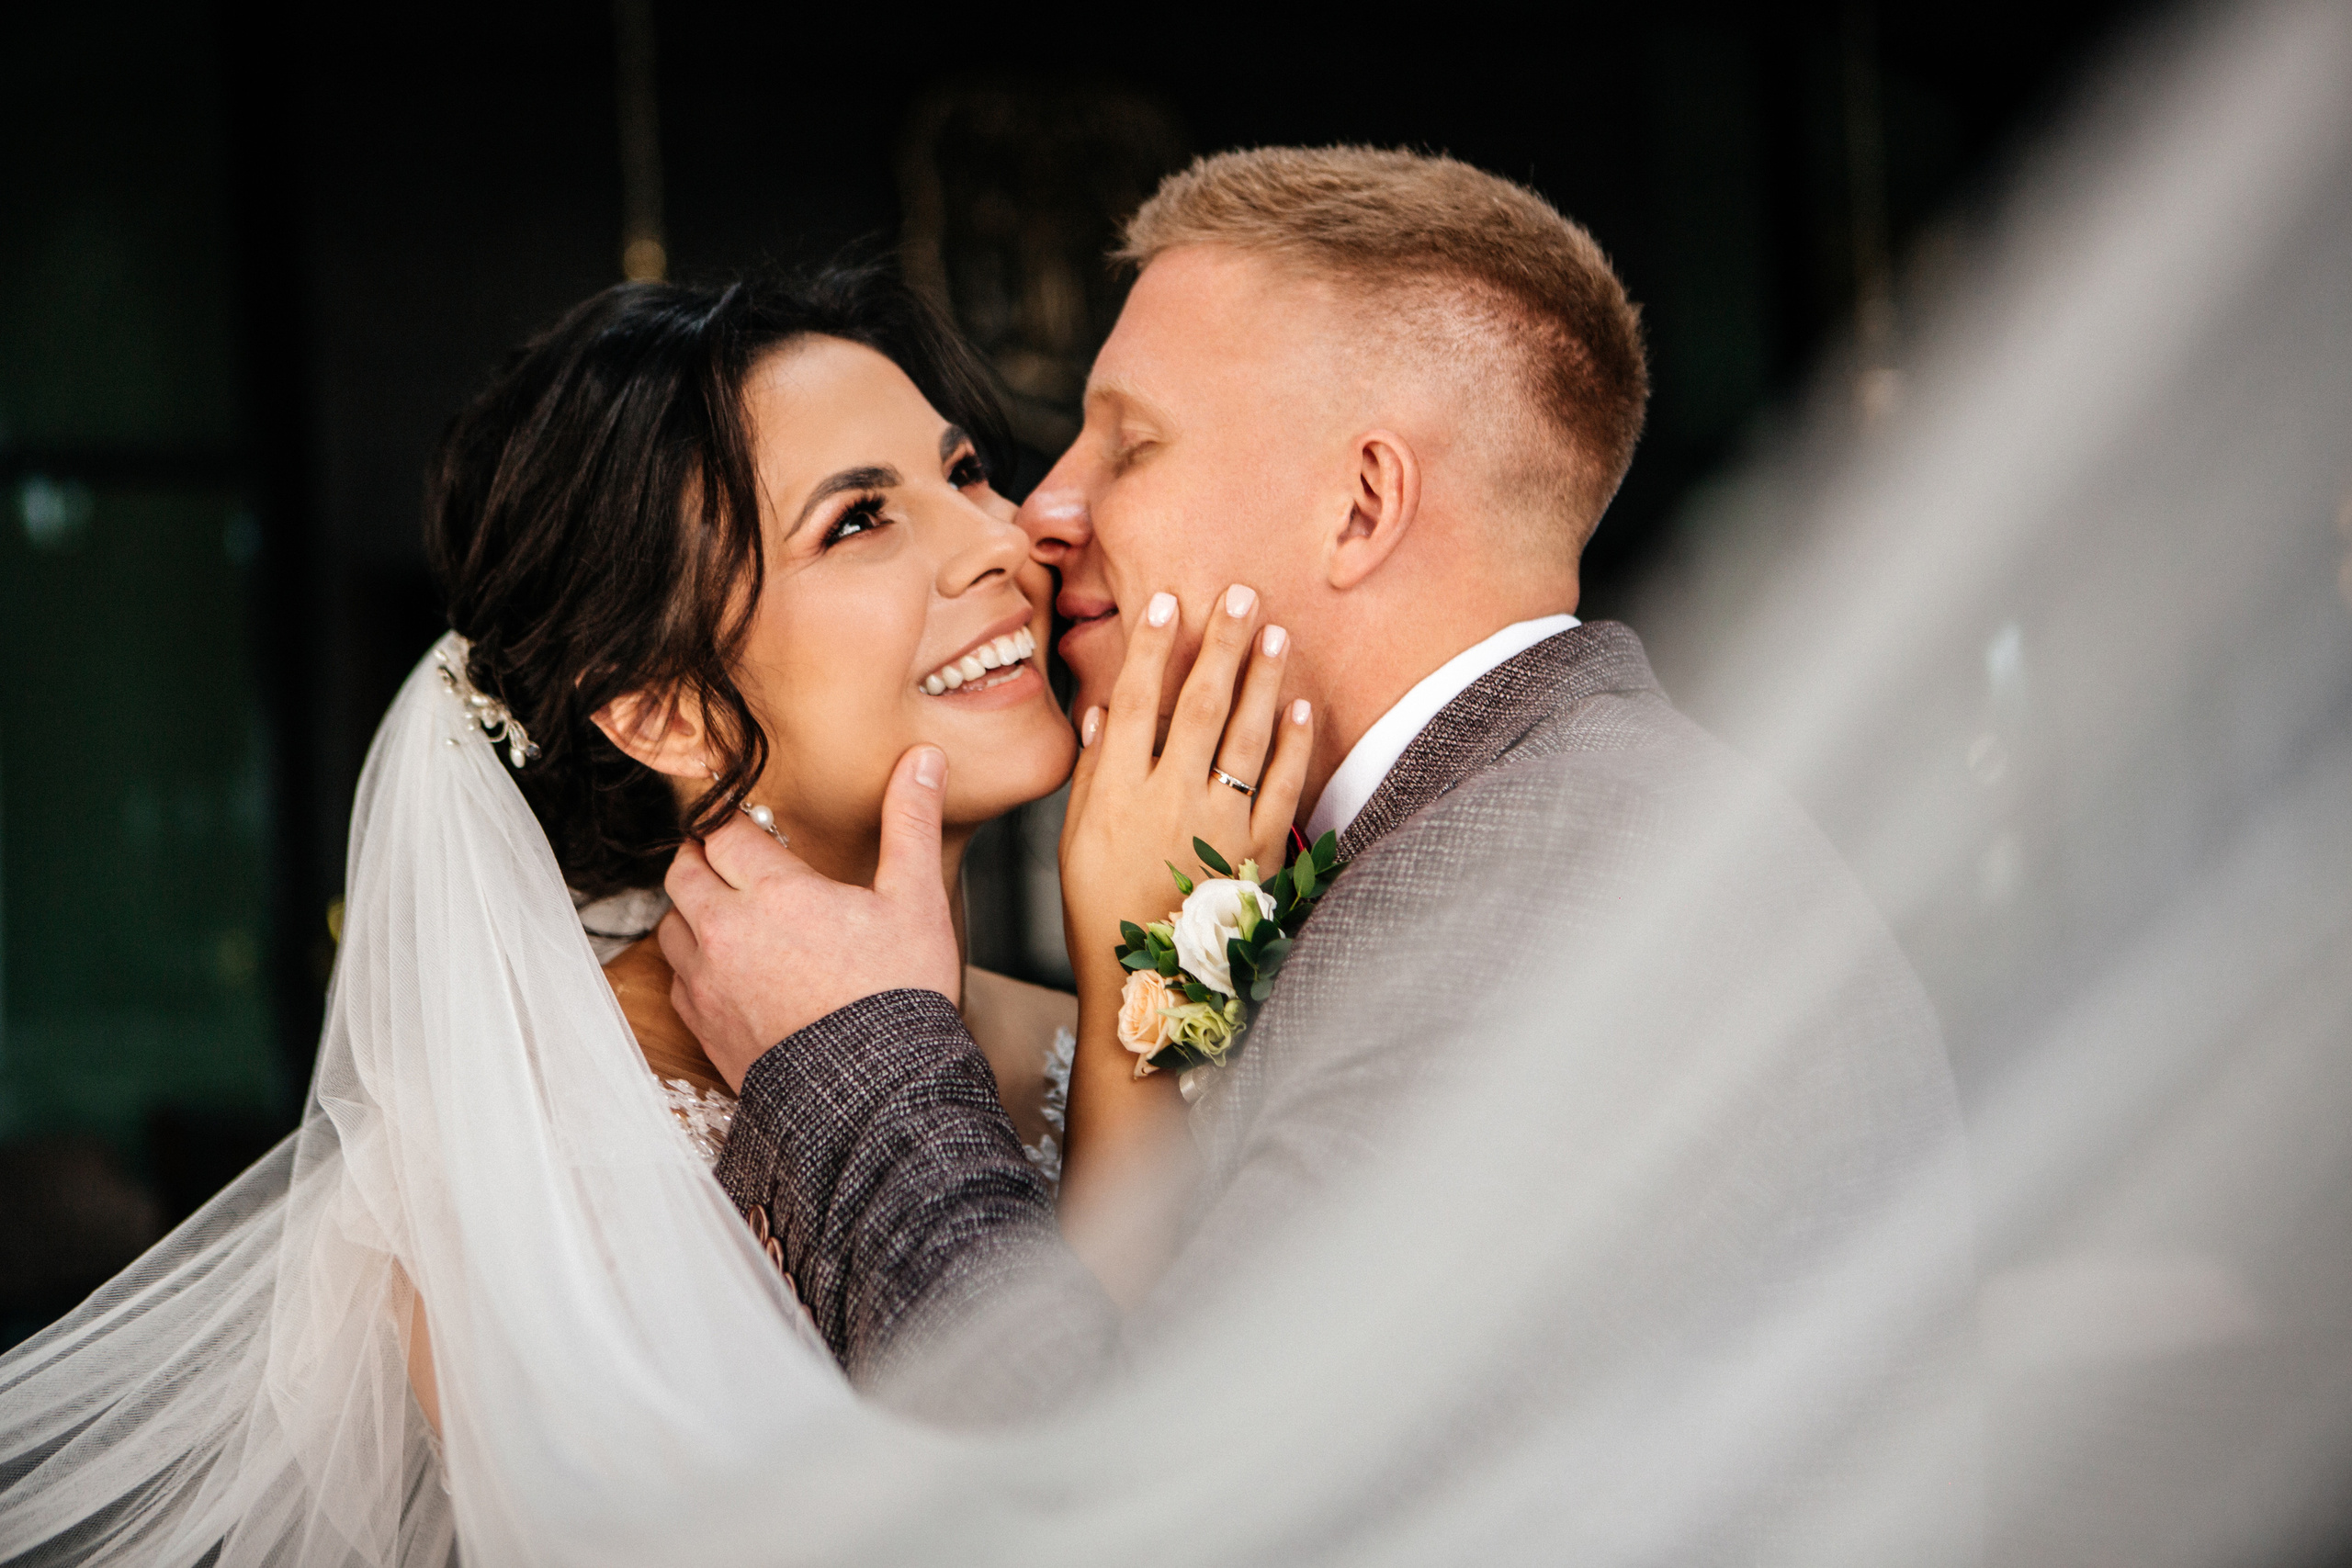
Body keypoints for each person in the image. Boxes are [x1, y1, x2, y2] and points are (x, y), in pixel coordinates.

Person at [663, 147, 1975, 1505]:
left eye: (1129, 441)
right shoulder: (1544, 822)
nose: (1042, 510)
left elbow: (1148, 1503)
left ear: (1361, 506)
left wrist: (855, 1060)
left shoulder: (1519, 908)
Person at [0, 263, 1298, 1562]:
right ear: (662, 709)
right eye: (857, 522)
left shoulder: (1108, 1008)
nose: (1003, 542)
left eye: (966, 474)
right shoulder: (527, 1159)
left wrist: (1150, 975)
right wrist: (1149, 1055)